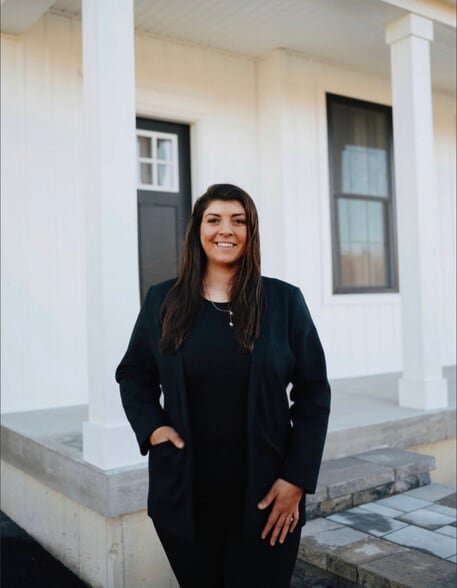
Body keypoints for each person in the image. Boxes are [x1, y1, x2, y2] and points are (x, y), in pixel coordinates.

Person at [115, 183, 330, 588]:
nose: (225, 229)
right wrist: (153, 427)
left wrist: (297, 478)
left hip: (268, 496)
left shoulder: (284, 302)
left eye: (238, 220)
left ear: (251, 232)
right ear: (198, 230)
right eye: (213, 219)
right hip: (185, 497)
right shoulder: (163, 301)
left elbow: (314, 392)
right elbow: (134, 374)